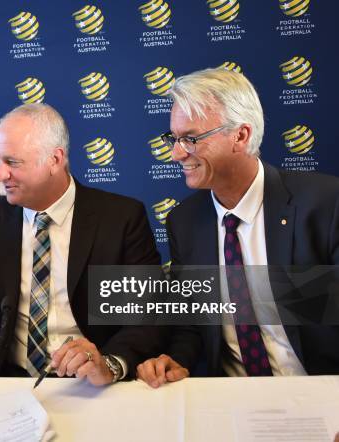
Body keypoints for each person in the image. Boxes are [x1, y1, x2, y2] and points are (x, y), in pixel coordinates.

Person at [0, 103, 164, 386]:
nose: (0, 175)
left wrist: (110, 364)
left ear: (55, 159)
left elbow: (144, 315)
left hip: (90, 380)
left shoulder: (120, 218)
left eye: (13, 162)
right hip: (8, 378)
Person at [137, 68, 339, 387]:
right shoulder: (185, 222)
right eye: (173, 139)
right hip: (233, 401)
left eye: (190, 138)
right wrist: (177, 360)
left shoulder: (326, 205)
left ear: (240, 136)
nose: (176, 154)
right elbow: (192, 322)